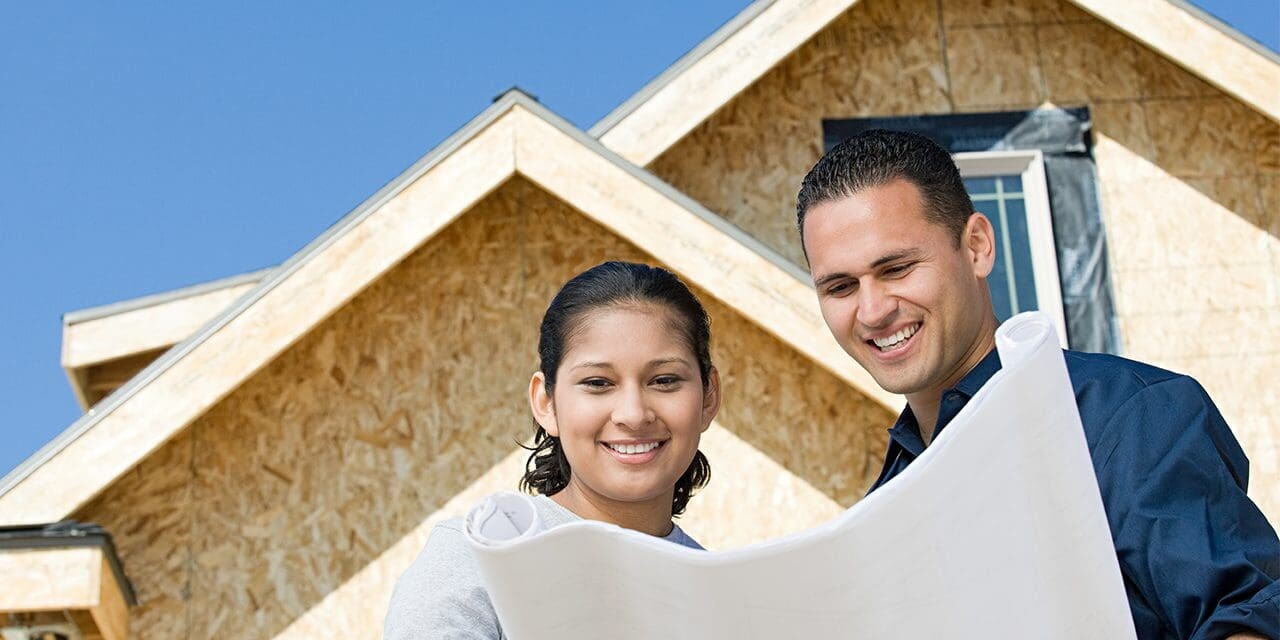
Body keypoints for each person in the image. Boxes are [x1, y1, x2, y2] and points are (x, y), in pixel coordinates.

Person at [796, 129, 1280, 639]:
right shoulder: (884, 504)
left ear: (977, 246)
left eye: (896, 268)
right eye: (840, 287)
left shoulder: (1122, 419)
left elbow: (1248, 619)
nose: (872, 311)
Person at [383, 260, 721, 639]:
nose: (633, 414)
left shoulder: (727, 600)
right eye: (597, 382)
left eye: (664, 380)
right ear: (545, 403)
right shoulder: (478, 560)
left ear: (709, 397)